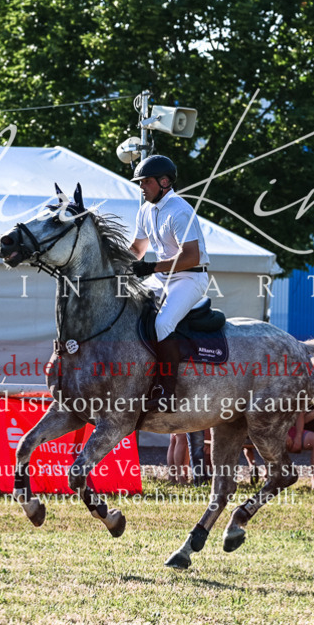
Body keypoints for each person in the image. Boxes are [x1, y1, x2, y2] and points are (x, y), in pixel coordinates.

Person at [128, 155, 211, 483]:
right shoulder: (146, 209)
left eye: (146, 182)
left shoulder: (180, 210)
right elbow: (137, 248)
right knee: (129, 313)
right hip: (162, 276)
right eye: (141, 183)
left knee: (161, 326)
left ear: (164, 182)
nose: (142, 188)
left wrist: (149, 267)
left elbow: (189, 256)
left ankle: (167, 386)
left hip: (191, 277)